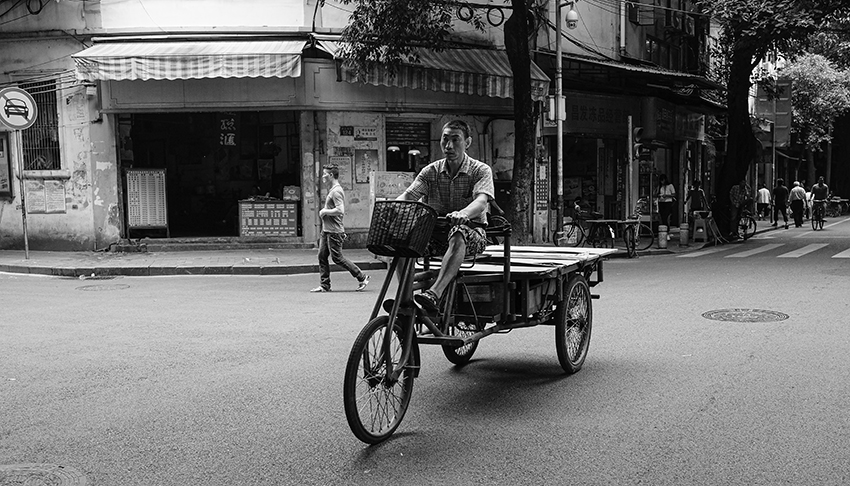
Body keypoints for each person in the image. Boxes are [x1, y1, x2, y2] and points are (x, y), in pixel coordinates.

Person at [396, 120, 494, 313]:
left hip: (472, 236)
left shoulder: (480, 170)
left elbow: (481, 201)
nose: (449, 146)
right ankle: (405, 299)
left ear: (467, 142)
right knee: (401, 241)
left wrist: (463, 213)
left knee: (458, 231)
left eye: (455, 140)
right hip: (436, 236)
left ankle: (434, 293)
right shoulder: (430, 171)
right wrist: (392, 207)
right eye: (445, 139)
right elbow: (408, 196)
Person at [310, 164, 370, 292]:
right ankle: (325, 285)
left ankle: (362, 277)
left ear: (331, 175)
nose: (322, 176)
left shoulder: (336, 191)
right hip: (326, 231)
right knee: (322, 256)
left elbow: (340, 210)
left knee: (337, 258)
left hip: (334, 232)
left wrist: (325, 211)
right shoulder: (332, 190)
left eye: (325, 174)